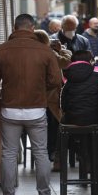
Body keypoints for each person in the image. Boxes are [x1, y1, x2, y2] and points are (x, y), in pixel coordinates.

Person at [0, 14, 61, 195]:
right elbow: (55, 80)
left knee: (9, 155)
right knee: (41, 154)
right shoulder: (45, 51)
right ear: (32, 27)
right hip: (36, 110)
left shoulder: (0, 51)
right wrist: (40, 91)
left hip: (9, 111)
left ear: (14, 27)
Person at [34, 30, 72, 163]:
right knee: (53, 124)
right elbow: (66, 62)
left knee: (42, 126)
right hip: (49, 96)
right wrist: (62, 49)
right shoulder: (48, 53)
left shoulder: (31, 53)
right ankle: (52, 152)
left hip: (35, 96)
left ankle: (42, 151)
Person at [61, 50, 98, 126]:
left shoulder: (69, 79)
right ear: (90, 61)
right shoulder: (96, 76)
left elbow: (63, 101)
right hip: (93, 118)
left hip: (71, 118)